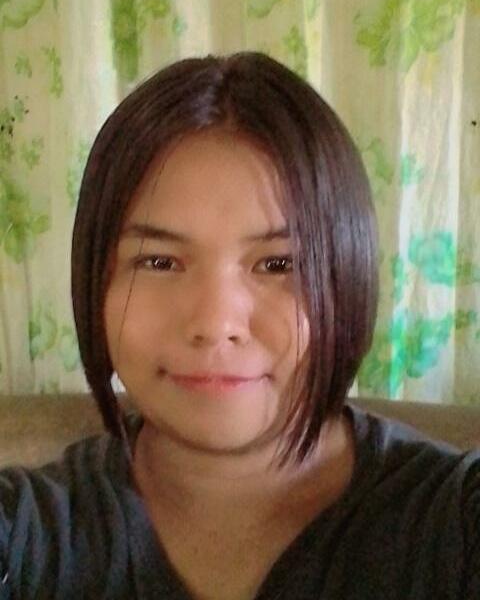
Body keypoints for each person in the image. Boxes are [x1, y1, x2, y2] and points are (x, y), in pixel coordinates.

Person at [0, 52, 478, 600]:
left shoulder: (457, 524)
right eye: (158, 261)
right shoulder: (25, 534)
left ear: (349, 277)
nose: (214, 323)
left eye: (278, 264)